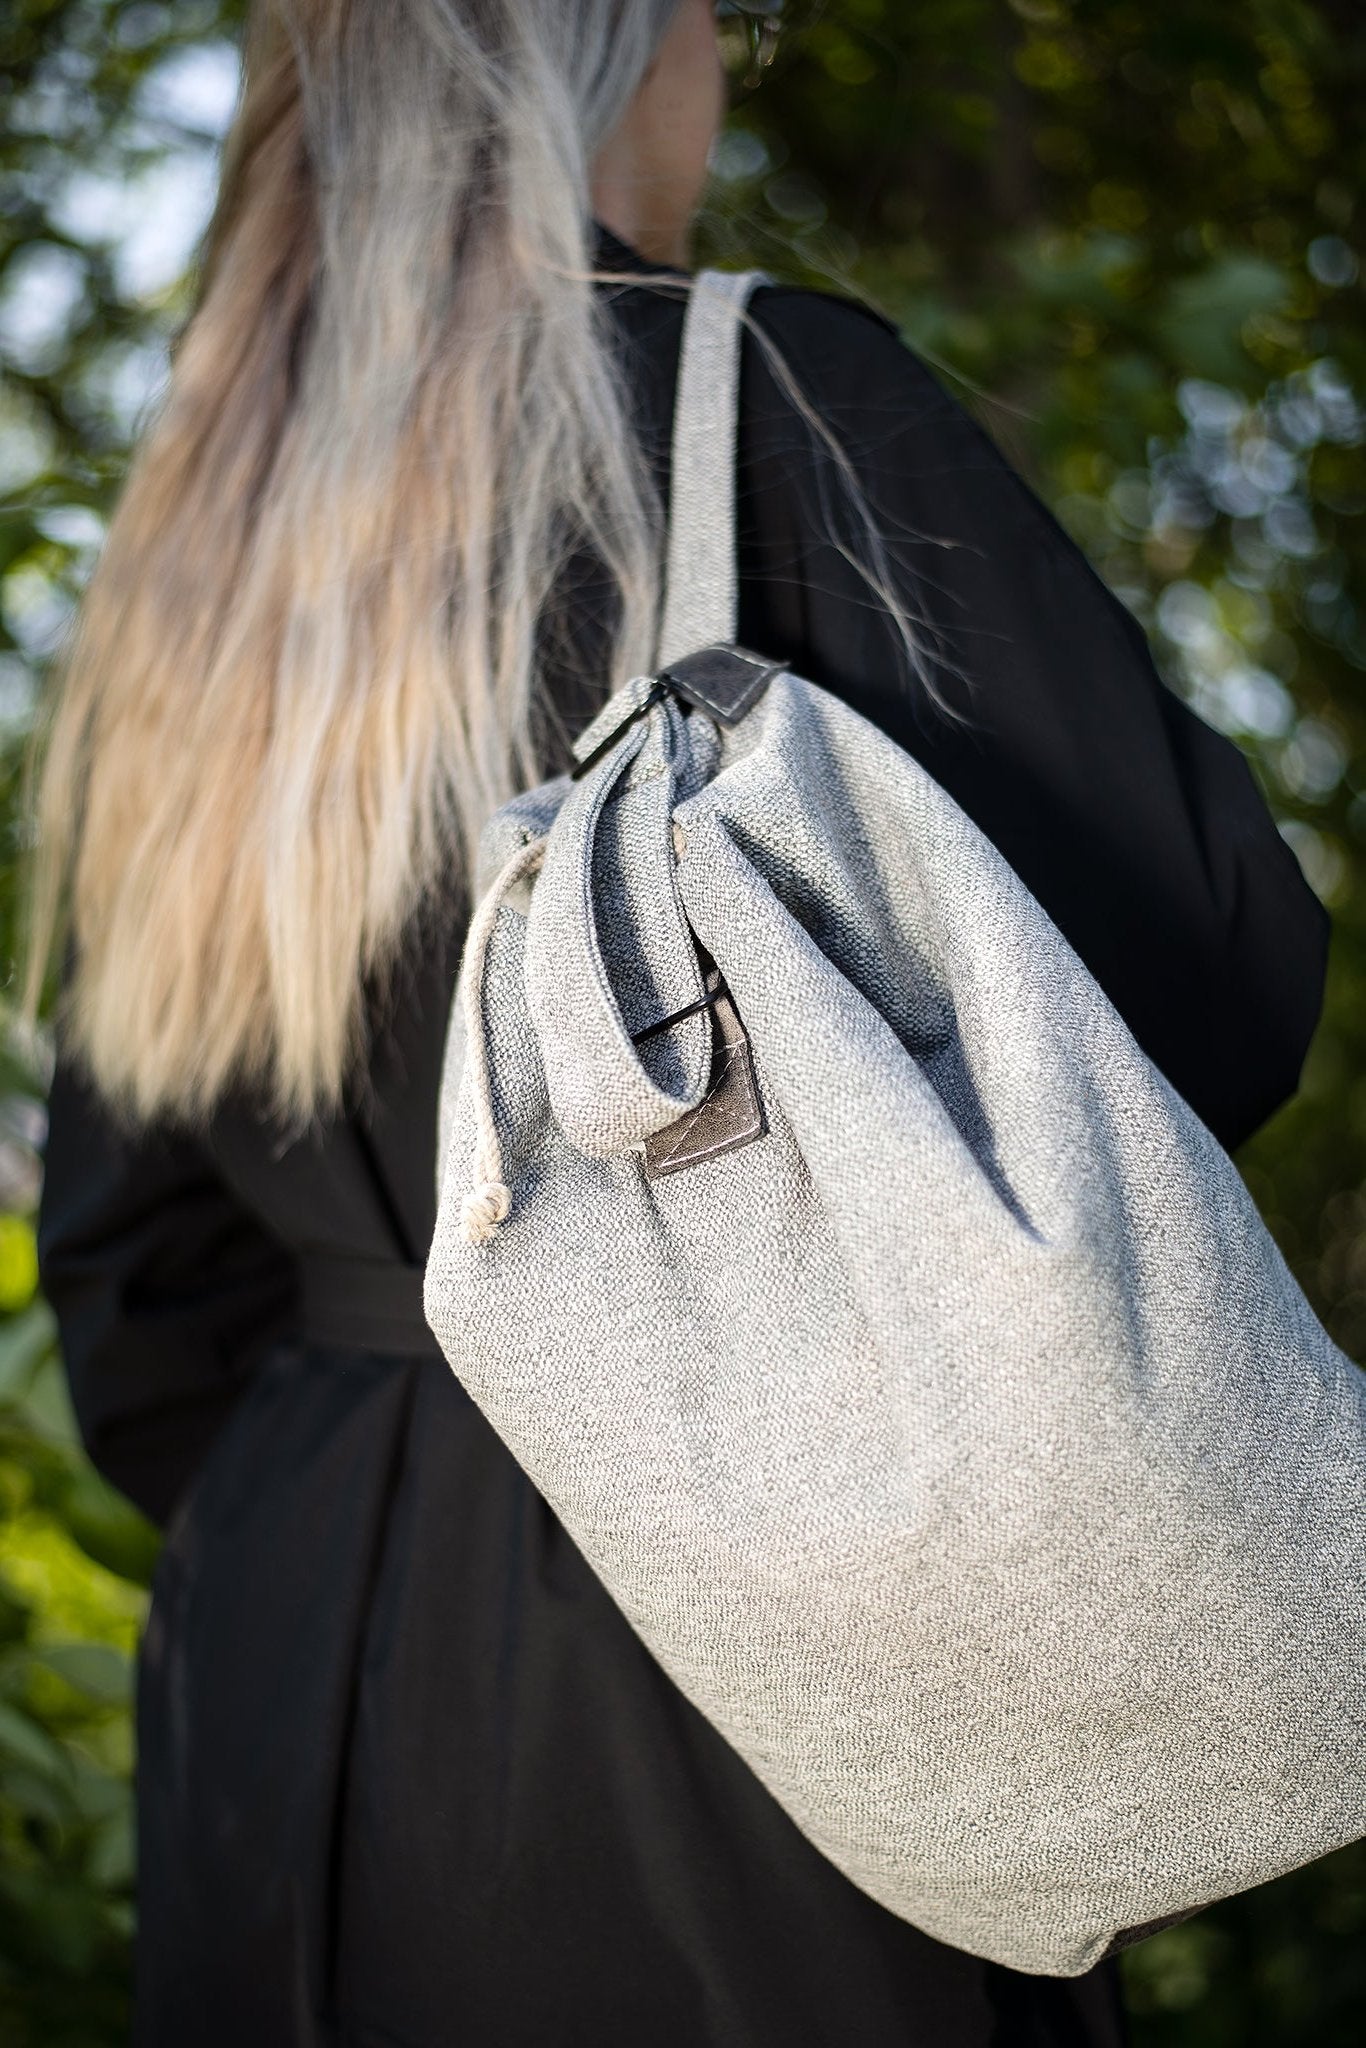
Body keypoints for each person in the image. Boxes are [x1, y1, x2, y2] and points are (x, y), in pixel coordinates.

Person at [27, 3, 1330, 2043]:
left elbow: (136, 1272)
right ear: (613, 42)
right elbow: (1216, 974)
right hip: (733, 1622)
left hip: (286, 1684)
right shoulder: (768, 400)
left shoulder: (204, 548)